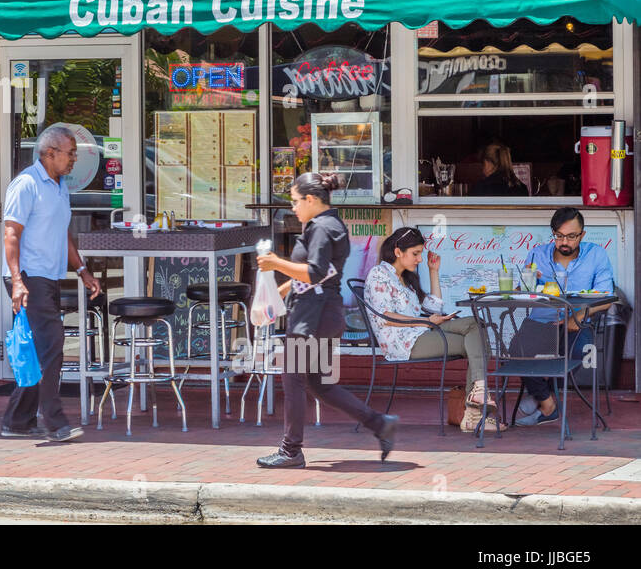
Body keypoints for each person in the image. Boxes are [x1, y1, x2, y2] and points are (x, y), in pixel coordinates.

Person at [255, 171, 398, 468]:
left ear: (310, 199)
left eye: (295, 201)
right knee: (320, 384)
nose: (292, 207)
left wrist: (274, 263)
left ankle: (290, 450)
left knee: (293, 379)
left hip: (313, 316)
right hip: (320, 312)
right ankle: (380, 423)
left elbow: (315, 272)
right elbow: (315, 274)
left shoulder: (322, 227)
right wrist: (278, 292)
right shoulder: (326, 225)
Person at [0, 124, 101, 443]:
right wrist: (17, 281)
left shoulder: (59, 187)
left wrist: (82, 269)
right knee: (52, 345)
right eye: (70, 153)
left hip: (49, 276)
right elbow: (11, 234)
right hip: (28, 278)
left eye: (74, 153)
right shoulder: (26, 185)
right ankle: (55, 421)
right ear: (49, 153)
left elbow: (63, 234)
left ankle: (17, 420)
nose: (73, 160)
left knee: (37, 348)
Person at [363, 227, 502, 431]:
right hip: (404, 343)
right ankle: (474, 413)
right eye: (415, 253)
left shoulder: (406, 279)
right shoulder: (379, 275)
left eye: (420, 253)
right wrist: (427, 322)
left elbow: (433, 307)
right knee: (475, 342)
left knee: (475, 324)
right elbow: (386, 317)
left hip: (421, 332)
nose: (419, 259)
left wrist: (433, 271)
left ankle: (478, 396)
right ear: (398, 251)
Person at [513, 208, 616, 426]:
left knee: (580, 353)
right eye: (559, 236)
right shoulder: (537, 254)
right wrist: (528, 283)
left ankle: (542, 394)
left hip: (577, 323)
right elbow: (522, 291)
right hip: (541, 321)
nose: (564, 242)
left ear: (582, 235)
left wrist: (577, 317)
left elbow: (607, 298)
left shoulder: (596, 255)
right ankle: (548, 404)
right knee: (516, 349)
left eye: (571, 236)